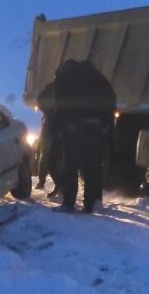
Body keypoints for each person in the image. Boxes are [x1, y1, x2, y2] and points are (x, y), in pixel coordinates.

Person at [49, 59, 116, 213]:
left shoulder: (64, 78)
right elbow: (110, 99)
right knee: (92, 166)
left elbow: (59, 105)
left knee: (71, 165)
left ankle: (69, 203)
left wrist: (56, 128)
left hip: (72, 127)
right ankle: (90, 204)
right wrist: (105, 122)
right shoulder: (98, 77)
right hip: (94, 127)